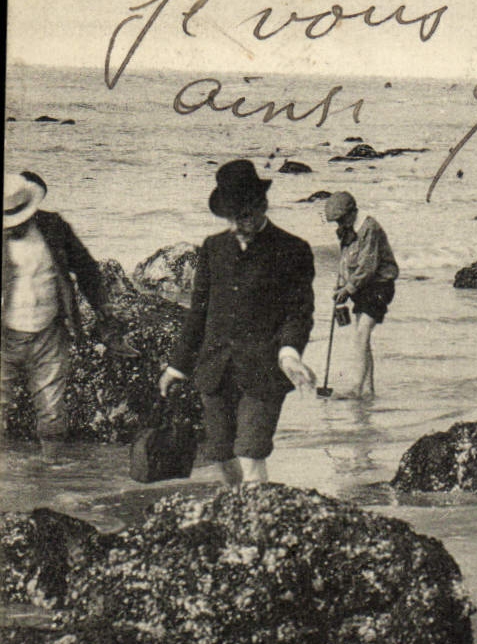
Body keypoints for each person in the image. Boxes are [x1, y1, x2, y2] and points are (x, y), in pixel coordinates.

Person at [158, 160, 316, 483]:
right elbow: (197, 313)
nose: (235, 226)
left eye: (242, 216)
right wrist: (177, 367)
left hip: (264, 370)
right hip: (215, 368)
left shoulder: (293, 250)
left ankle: (256, 518)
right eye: (229, 218)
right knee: (221, 454)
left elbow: (298, 313)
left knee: (251, 451)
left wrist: (289, 354)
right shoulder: (213, 248)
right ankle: (235, 509)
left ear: (262, 206)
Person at [3, 172, 135, 456]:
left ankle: (51, 471)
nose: (13, 226)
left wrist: (105, 315)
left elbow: (87, 268)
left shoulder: (53, 227)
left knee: (52, 409)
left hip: (50, 331)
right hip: (5, 336)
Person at [322, 191, 398, 399]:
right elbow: (346, 260)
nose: (338, 225)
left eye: (340, 220)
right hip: (361, 288)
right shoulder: (347, 229)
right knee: (361, 338)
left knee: (361, 335)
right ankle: (368, 390)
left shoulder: (369, 228)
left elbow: (367, 266)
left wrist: (348, 289)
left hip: (379, 286)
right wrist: (341, 284)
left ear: (351, 213)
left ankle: (356, 388)